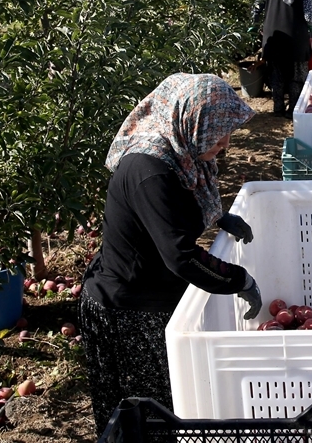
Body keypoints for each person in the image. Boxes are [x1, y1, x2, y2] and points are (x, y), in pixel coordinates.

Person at [78, 73, 262, 434]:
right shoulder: (150, 170)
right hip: (128, 311)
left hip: (149, 297)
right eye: (218, 131)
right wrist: (238, 279)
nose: (224, 143)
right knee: (146, 420)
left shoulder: (179, 153)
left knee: (164, 414)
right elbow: (180, 256)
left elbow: (170, 211)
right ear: (190, 120)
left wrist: (216, 215)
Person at [252, 0, 312, 117]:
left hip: (274, 38)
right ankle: (293, 109)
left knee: (276, 74)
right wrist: (311, 27)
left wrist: (255, 23)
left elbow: (257, 4)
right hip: (296, 41)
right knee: (296, 76)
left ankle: (278, 108)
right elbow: (309, 16)